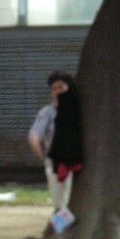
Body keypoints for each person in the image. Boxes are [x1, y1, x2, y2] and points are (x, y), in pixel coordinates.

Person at [28, 71, 76, 210]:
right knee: (59, 201)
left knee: (72, 198)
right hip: (55, 163)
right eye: (54, 89)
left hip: (77, 163)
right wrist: (35, 142)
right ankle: (60, 228)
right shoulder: (47, 112)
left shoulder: (79, 111)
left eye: (61, 87)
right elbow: (35, 132)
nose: (57, 91)